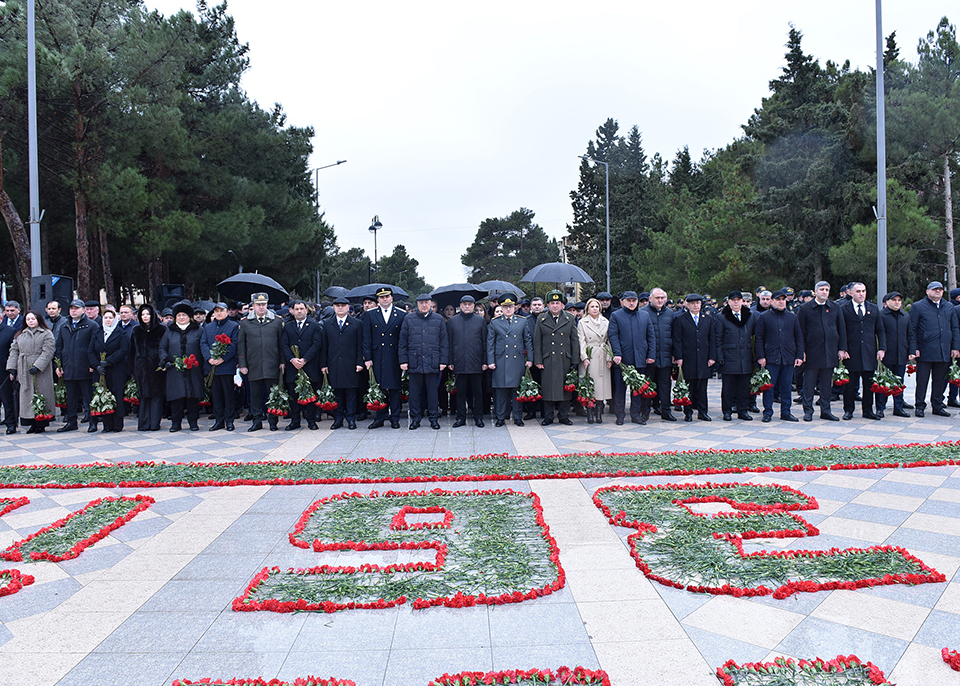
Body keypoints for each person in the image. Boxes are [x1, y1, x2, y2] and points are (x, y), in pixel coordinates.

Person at [796, 281, 848, 422]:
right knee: (809, 384)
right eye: (821, 289)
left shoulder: (835, 307)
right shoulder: (805, 308)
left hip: (829, 351)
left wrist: (842, 348)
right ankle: (808, 411)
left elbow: (841, 329)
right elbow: (800, 331)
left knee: (826, 384)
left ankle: (826, 410)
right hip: (812, 352)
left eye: (826, 290)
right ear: (816, 292)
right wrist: (801, 351)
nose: (824, 292)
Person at [909, 281, 960, 417]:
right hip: (925, 350)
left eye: (940, 289)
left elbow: (955, 328)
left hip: (943, 350)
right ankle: (920, 406)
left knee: (940, 381)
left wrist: (955, 347)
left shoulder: (949, 307)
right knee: (922, 381)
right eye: (934, 289)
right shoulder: (918, 306)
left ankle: (937, 405)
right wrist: (914, 348)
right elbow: (912, 329)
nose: (938, 291)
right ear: (927, 291)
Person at [399, 294, 449, 429]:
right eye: (421, 303)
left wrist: (443, 361)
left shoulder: (438, 319)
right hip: (414, 361)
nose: (424, 305)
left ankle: (433, 419)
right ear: (417, 304)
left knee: (432, 393)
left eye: (426, 302)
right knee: (414, 393)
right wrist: (403, 360)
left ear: (430, 303)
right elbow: (402, 342)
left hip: (433, 361)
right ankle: (415, 419)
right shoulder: (409, 319)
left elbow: (444, 343)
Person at [755, 289, 803, 423]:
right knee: (769, 387)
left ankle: (786, 412)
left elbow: (799, 337)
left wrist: (799, 355)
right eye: (778, 299)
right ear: (772, 301)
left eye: (783, 299)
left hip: (788, 357)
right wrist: (760, 356)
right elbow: (759, 338)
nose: (781, 302)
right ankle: (768, 412)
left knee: (786, 387)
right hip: (770, 357)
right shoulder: (764, 317)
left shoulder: (792, 317)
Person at [839, 282, 886, 421]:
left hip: (869, 352)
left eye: (863, 291)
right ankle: (848, 410)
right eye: (858, 291)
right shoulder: (844, 309)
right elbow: (841, 330)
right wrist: (842, 348)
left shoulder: (873, 308)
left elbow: (880, 330)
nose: (861, 294)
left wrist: (881, 348)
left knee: (869, 384)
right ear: (851, 293)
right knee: (849, 384)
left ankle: (868, 410)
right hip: (851, 352)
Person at [608, 291, 656, 425]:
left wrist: (651, 355)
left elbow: (651, 336)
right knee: (620, 390)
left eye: (634, 300)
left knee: (637, 389)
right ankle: (620, 415)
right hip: (622, 359)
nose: (631, 303)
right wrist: (617, 353)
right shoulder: (616, 315)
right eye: (628, 300)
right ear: (623, 301)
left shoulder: (644, 315)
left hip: (640, 358)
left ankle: (635, 415)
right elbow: (613, 336)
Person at [238, 292, 284, 431]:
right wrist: (242, 364)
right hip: (253, 364)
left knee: (272, 394)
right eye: (258, 305)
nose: (261, 307)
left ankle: (273, 421)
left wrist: (282, 362)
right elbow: (241, 346)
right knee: (255, 395)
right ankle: (257, 421)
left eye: (263, 304)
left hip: (272, 364)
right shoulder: (245, 323)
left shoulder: (276, 322)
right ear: (253, 306)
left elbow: (281, 344)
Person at [534, 290, 579, 426]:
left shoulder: (570, 318)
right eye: (552, 303)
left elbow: (574, 340)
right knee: (548, 388)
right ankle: (548, 416)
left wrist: (575, 360)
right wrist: (538, 360)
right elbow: (537, 341)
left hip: (564, 359)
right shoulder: (541, 319)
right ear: (547, 305)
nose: (555, 306)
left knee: (565, 389)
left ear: (562, 305)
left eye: (557, 303)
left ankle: (563, 416)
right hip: (548, 359)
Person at [362, 287, 406, 429]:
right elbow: (366, 338)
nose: (385, 299)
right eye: (381, 297)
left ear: (392, 298)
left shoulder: (401, 314)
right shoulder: (370, 314)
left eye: (387, 296)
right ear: (378, 300)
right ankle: (380, 417)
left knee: (394, 388)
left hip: (394, 356)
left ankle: (395, 418)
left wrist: (403, 358)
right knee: (379, 387)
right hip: (377, 355)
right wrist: (367, 358)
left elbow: (404, 339)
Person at [5, 311, 55, 433]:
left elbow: (48, 351)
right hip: (24, 368)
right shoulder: (20, 334)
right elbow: (14, 351)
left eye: (33, 319)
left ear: (38, 320)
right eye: (28, 319)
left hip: (41, 370)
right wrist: (12, 368)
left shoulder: (46, 333)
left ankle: (41, 423)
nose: (30, 321)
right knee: (27, 396)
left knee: (41, 393)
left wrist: (38, 365)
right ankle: (31, 422)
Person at [55, 299, 100, 433]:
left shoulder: (91, 325)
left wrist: (93, 363)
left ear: (83, 310)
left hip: (85, 367)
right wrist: (58, 365)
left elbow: (95, 346)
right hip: (68, 367)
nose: (73, 311)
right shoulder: (64, 326)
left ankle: (93, 422)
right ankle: (71, 422)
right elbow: (59, 347)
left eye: (76, 308)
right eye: (71, 308)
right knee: (71, 398)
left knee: (89, 396)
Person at [487, 294, 532, 427]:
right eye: (505, 307)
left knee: (517, 390)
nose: (508, 309)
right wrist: (490, 361)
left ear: (515, 307)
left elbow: (527, 340)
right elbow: (490, 343)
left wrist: (530, 359)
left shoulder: (522, 321)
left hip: (517, 359)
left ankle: (517, 417)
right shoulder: (495, 322)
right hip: (500, 360)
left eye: (510, 306)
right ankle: (500, 417)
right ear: (501, 308)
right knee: (500, 391)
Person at [159, 301, 204, 432]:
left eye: (184, 315)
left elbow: (203, 347)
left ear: (189, 317)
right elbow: (162, 348)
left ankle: (193, 422)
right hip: (175, 369)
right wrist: (165, 360)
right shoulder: (169, 331)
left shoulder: (198, 330)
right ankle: (176, 423)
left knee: (193, 397)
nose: (181, 317)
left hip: (193, 368)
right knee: (176, 397)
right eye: (179, 315)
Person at [320, 297, 364, 430]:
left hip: (351, 364)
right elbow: (324, 346)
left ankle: (351, 418)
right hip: (334, 364)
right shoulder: (328, 324)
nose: (340, 308)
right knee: (337, 392)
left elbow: (360, 345)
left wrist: (360, 362)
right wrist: (323, 364)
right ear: (333, 307)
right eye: (337, 305)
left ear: (348, 308)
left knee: (351, 393)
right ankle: (338, 419)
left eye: (343, 305)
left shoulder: (356, 323)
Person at [672, 293, 715, 422]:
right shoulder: (680, 319)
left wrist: (712, 357)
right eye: (692, 303)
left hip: (703, 358)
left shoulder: (708, 319)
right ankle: (688, 412)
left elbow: (712, 339)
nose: (695, 305)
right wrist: (678, 357)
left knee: (702, 388)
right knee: (688, 387)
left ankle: (703, 412)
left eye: (698, 303)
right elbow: (677, 340)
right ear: (687, 304)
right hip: (687, 358)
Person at [281, 299, 323, 431]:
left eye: (301, 309)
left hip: (309, 365)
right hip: (293, 366)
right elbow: (284, 344)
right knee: (293, 395)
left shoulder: (314, 325)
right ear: (291, 311)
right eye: (296, 309)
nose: (299, 311)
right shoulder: (287, 326)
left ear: (306, 310)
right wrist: (292, 359)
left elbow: (316, 344)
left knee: (310, 394)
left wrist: (304, 360)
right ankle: (295, 421)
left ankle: (311, 420)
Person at [447, 295, 488, 428]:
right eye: (464, 304)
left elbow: (484, 342)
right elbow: (449, 343)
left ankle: (478, 417)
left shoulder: (480, 321)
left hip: (476, 362)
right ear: (460, 306)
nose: (467, 306)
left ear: (473, 306)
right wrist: (450, 361)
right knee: (460, 393)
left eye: (470, 304)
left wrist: (485, 361)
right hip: (459, 362)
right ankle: (460, 418)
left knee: (477, 393)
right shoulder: (453, 321)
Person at [714, 291, 755, 421]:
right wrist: (719, 357)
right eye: (733, 300)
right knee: (728, 388)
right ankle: (727, 411)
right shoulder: (721, 317)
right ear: (729, 302)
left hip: (745, 356)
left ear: (742, 301)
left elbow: (755, 336)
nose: (736, 302)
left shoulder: (750, 315)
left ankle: (743, 411)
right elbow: (718, 339)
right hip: (729, 357)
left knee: (744, 387)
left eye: (738, 300)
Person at [90, 308, 130, 433]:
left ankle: (117, 424)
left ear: (115, 319)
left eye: (111, 318)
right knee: (103, 394)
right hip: (101, 371)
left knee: (116, 395)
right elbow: (90, 351)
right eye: (106, 318)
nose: (108, 320)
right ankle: (107, 425)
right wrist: (96, 365)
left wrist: (108, 361)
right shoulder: (97, 333)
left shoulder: (121, 333)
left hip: (116, 369)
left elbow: (123, 350)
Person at [201, 302, 240, 431]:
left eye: (221, 311)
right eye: (216, 311)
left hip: (226, 366)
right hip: (212, 366)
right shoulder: (208, 327)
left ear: (227, 312)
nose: (219, 313)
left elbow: (234, 344)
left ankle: (229, 421)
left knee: (228, 395)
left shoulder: (233, 326)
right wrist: (209, 358)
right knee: (216, 395)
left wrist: (223, 358)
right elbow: (203, 343)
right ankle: (219, 420)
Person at [642, 287, 677, 422]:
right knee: (647, 385)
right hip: (648, 357)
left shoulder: (670, 313)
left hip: (665, 356)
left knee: (665, 386)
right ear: (650, 299)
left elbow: (675, 335)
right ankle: (645, 412)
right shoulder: (643, 313)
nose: (660, 300)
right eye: (657, 298)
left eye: (662, 298)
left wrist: (675, 354)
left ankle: (666, 411)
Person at [131, 304, 166, 431]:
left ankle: (154, 423)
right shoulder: (136, 330)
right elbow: (132, 350)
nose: (145, 317)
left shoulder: (161, 330)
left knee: (156, 395)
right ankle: (144, 423)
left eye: (147, 314)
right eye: (142, 314)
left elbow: (164, 348)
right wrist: (132, 369)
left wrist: (163, 363)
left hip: (156, 367)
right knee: (144, 395)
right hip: (141, 368)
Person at [877, 292, 913, 418]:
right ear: (887, 302)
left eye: (899, 300)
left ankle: (898, 407)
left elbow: (910, 335)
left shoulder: (905, 316)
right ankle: (880, 408)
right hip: (886, 354)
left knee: (899, 382)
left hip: (901, 354)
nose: (897, 302)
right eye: (894, 300)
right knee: (883, 382)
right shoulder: (881, 315)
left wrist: (911, 351)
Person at [577, 297, 612, 423]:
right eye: (592, 307)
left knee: (601, 387)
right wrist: (584, 357)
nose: (595, 309)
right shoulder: (582, 322)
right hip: (590, 355)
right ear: (587, 309)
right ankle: (590, 414)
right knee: (590, 385)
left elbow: (609, 340)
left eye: (597, 306)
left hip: (602, 355)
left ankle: (599, 413)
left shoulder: (605, 321)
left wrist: (609, 358)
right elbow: (581, 341)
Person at [0, 301, 23, 433]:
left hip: (4, 371)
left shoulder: (10, 332)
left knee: (7, 399)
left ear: (1, 318)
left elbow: (13, 352)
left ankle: (11, 424)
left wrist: (12, 370)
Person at [522, 297, 545, 420]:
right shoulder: (526, 320)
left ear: (543, 306)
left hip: (546, 358)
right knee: (531, 384)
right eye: (534, 305)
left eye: (539, 304)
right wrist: (529, 358)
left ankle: (545, 411)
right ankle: (531, 411)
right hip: (531, 358)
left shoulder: (548, 319)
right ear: (531, 307)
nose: (537, 307)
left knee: (545, 385)